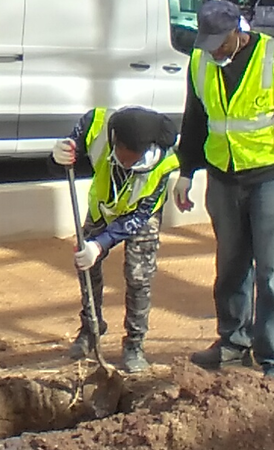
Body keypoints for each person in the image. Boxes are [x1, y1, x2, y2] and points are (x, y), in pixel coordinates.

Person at [172, 0, 274, 380]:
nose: (214, 50)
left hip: (270, 178)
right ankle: (233, 344)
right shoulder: (201, 62)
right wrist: (186, 171)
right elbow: (195, 118)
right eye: (209, 42)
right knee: (231, 267)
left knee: (273, 273)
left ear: (239, 31)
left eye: (220, 41)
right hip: (223, 177)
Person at [50, 106, 180, 373]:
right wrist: (59, 155)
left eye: (134, 160)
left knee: (138, 276)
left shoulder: (164, 162)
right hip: (103, 207)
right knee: (85, 264)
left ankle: (134, 344)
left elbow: (140, 215)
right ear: (114, 141)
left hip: (141, 216)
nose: (128, 163)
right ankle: (90, 329)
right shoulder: (96, 126)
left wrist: (100, 244)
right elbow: (67, 151)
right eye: (123, 157)